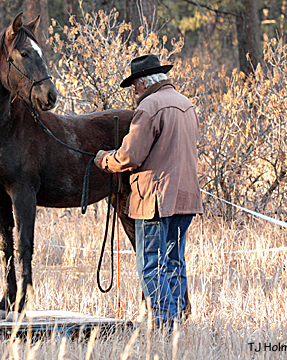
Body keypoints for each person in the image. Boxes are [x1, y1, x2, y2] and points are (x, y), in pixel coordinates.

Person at [94, 54, 203, 326]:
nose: (133, 91)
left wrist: (105, 160)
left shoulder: (149, 107)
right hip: (185, 198)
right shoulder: (186, 104)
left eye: (134, 85)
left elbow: (130, 155)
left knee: (151, 265)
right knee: (175, 262)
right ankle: (177, 322)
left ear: (143, 82)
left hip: (154, 201)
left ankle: (164, 324)